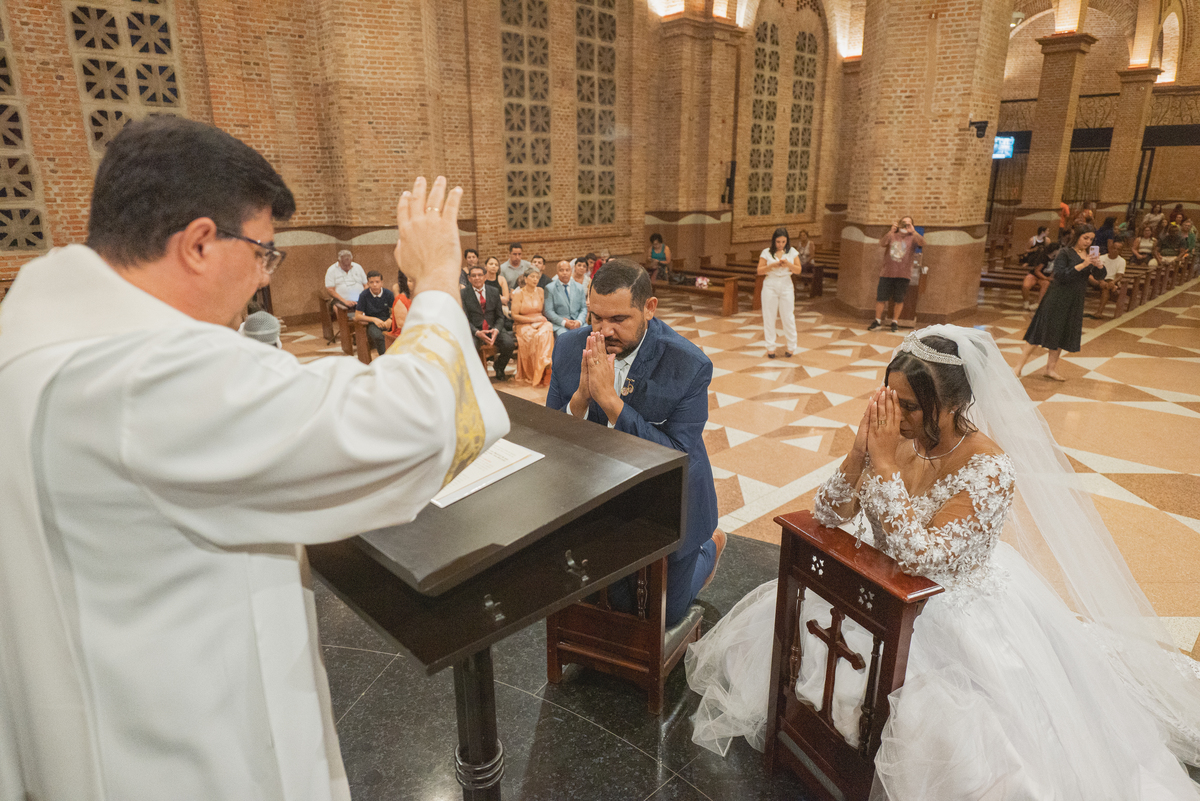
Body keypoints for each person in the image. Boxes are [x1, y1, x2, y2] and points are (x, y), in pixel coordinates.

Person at [0, 117, 508, 800]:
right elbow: (403, 425)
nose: (263, 281)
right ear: (201, 243)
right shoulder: (146, 374)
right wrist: (439, 278)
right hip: (186, 759)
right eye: (265, 254)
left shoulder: (30, 341)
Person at [686, 327, 1200, 799]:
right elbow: (828, 513)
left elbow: (920, 558)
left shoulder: (988, 467)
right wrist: (859, 453)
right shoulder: (897, 437)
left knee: (942, 734)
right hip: (873, 589)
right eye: (889, 398)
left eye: (909, 406)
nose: (896, 416)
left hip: (946, 608)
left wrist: (883, 464)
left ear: (954, 404)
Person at [546, 260, 725, 627]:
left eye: (619, 319)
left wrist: (611, 404)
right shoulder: (568, 349)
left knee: (664, 614)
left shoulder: (687, 364)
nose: (603, 330)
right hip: (601, 498)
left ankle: (711, 548)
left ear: (649, 308)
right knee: (613, 601)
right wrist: (581, 398)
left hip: (669, 500)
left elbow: (677, 454)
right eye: (596, 316)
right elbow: (550, 433)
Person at [1013, 226, 1102, 381]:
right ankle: (1018, 367)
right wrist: (1083, 264)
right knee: (1040, 329)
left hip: (1075, 298)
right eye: (1085, 238)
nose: (1088, 242)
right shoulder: (1065, 253)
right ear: (1078, 237)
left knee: (1062, 331)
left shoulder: (1089, 255)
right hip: (1057, 296)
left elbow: (1099, 277)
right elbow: (1060, 275)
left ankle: (1050, 369)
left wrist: (1099, 266)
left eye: (1091, 239)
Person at [461, 264, 515, 381]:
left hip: (493, 328)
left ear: (485, 277)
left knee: (509, 343)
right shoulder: (463, 294)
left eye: (480, 275)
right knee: (472, 346)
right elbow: (463, 319)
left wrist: (496, 329)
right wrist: (476, 332)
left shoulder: (494, 291)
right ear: (469, 279)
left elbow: (500, 316)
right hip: (475, 330)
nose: (477, 278)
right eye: (473, 276)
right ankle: (475, 377)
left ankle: (499, 367)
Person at [869, 216, 923, 332]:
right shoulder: (892, 234)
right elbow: (882, 243)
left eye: (908, 224)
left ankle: (895, 322)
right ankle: (877, 320)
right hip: (887, 272)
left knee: (899, 299)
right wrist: (890, 232)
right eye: (903, 223)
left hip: (903, 274)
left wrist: (914, 231)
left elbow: (923, 243)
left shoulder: (913, 237)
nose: (905, 226)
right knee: (881, 298)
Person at [757, 227, 802, 358]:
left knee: (788, 316)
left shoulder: (792, 252)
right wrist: (772, 266)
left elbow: (798, 270)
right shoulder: (766, 252)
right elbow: (760, 271)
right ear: (774, 241)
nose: (780, 244)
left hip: (786, 283)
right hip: (770, 283)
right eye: (778, 242)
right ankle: (770, 347)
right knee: (769, 316)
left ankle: (791, 346)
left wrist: (788, 264)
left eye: (783, 242)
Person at [510, 266, 555, 387]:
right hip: (523, 324)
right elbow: (514, 315)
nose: (535, 279)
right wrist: (532, 319)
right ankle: (538, 371)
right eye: (532, 277)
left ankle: (546, 366)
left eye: (537, 277)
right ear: (525, 279)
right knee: (532, 337)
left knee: (546, 330)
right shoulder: (518, 293)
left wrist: (541, 320)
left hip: (540, 321)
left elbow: (545, 310)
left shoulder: (540, 291)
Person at [355, 270, 395, 357]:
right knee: (377, 336)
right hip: (372, 321)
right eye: (371, 282)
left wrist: (390, 319)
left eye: (377, 282)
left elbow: (395, 311)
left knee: (401, 331)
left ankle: (398, 354)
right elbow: (357, 316)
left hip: (387, 319)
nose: (375, 285)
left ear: (382, 283)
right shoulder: (364, 295)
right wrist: (373, 319)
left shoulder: (388, 294)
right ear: (368, 283)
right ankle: (385, 357)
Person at [544, 259, 587, 336]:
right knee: (565, 336)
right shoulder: (549, 288)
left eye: (567, 270)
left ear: (571, 271)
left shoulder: (579, 287)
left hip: (578, 323)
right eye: (561, 270)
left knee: (587, 333)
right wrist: (564, 323)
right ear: (557, 272)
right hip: (560, 325)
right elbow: (549, 311)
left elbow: (583, 308)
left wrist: (579, 321)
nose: (564, 273)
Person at [1019, 239, 1059, 311]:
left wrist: (1050, 278)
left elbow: (1054, 270)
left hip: (1044, 277)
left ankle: (1039, 304)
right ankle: (1026, 302)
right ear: (1054, 250)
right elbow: (1037, 271)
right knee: (1026, 285)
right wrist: (1046, 278)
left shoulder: (1057, 259)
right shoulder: (1043, 257)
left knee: (1046, 284)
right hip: (1034, 275)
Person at [1091, 237, 1126, 319]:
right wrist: (1101, 281)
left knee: (1106, 288)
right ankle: (1113, 289)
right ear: (1110, 248)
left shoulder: (1121, 261)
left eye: (1118, 249)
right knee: (1104, 284)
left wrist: (1113, 282)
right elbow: (1095, 271)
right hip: (1097, 280)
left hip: (1110, 282)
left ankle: (1099, 312)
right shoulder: (1102, 258)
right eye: (1114, 248)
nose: (1115, 250)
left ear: (1120, 251)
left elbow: (1120, 275)